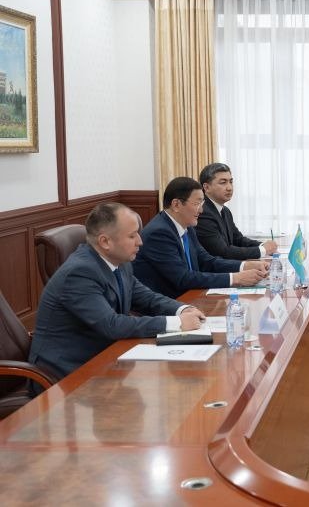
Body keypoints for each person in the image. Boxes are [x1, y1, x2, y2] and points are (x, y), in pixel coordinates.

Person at [29, 203, 206, 384]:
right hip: (66, 375)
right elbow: (111, 325)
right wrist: (177, 323)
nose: (140, 241)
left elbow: (146, 297)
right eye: (132, 236)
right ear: (105, 242)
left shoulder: (120, 261)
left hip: (104, 358)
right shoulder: (79, 273)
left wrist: (182, 309)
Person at [133, 177, 268, 298]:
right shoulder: (159, 233)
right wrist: (235, 278)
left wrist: (244, 265)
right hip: (168, 303)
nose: (201, 210)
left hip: (190, 296)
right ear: (176, 205)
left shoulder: (187, 227)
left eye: (202, 204)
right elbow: (183, 278)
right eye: (197, 203)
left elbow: (206, 261)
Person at [196, 162, 278, 260]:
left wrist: (263, 245)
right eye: (223, 182)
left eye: (231, 182)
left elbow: (238, 239)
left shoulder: (225, 211)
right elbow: (222, 252)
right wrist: (263, 250)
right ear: (206, 187)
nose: (229, 188)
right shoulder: (202, 212)